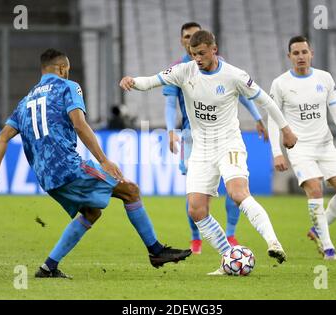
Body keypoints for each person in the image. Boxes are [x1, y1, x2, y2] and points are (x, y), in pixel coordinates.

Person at [0, 48, 191, 279]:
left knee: (91, 212)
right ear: (62, 69)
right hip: (68, 168)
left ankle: (48, 267)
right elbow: (80, 125)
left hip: (46, 178)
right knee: (130, 191)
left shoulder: (26, 101)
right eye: (67, 70)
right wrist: (104, 161)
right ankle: (156, 251)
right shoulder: (68, 87)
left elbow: (2, 136)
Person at [120, 30, 298, 274]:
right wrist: (133, 82)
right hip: (201, 149)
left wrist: (286, 130)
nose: (197, 59)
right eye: (193, 54)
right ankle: (229, 258)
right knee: (196, 209)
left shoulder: (234, 75)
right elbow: (151, 81)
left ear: (214, 50)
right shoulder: (185, 71)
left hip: (228, 145)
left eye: (202, 53)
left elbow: (265, 100)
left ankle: (273, 242)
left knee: (237, 193)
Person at [164, 22, 268, 254]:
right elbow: (170, 103)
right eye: (186, 37)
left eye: (194, 36)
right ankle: (196, 238)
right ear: (182, 41)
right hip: (192, 136)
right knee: (196, 193)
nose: (190, 40)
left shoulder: (218, 68)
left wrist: (258, 117)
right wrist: (171, 131)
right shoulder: (178, 69)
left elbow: (241, 94)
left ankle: (230, 234)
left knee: (234, 187)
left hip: (223, 135)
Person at [268, 35, 336, 260]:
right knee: (315, 190)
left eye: (304, 52)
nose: (300, 57)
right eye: (295, 53)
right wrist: (277, 153)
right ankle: (328, 248)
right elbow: (273, 119)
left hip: (325, 145)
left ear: (311, 54)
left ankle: (317, 229)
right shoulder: (280, 84)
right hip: (299, 147)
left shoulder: (324, 78)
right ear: (289, 57)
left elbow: (334, 106)